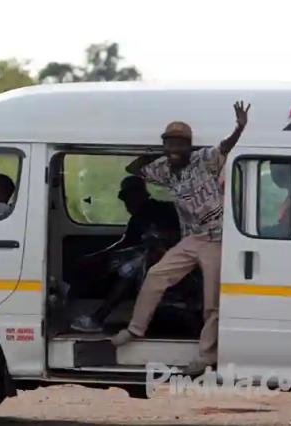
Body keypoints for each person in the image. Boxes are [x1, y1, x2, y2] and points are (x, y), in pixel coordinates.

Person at [111, 101, 251, 375]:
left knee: (212, 302)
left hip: (216, 238)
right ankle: (135, 329)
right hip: (192, 238)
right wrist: (152, 150)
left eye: (179, 144)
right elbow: (133, 169)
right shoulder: (162, 168)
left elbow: (225, 146)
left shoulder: (203, 159)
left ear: (189, 146)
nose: (174, 149)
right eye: (169, 144)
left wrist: (239, 127)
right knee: (155, 275)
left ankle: (205, 356)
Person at [71, 176, 180, 333]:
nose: (127, 204)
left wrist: (161, 237)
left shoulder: (164, 210)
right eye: (125, 200)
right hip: (148, 257)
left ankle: (98, 318)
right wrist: (98, 256)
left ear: (140, 195)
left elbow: (180, 234)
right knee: (114, 263)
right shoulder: (137, 219)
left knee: (130, 268)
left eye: (129, 198)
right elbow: (126, 242)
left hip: (171, 257)